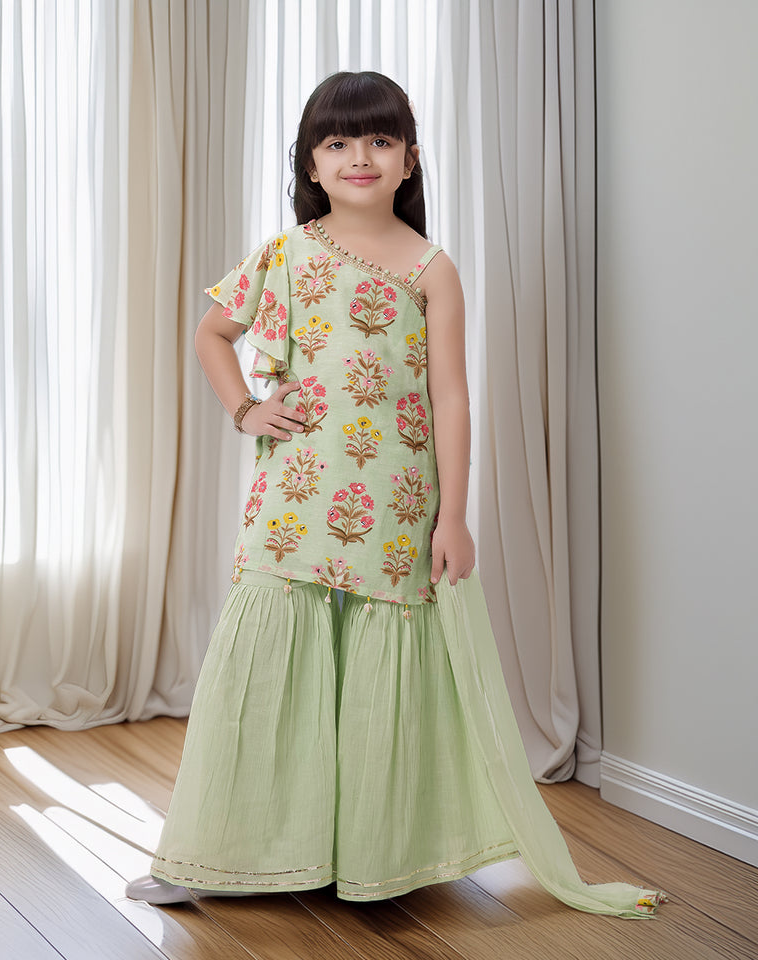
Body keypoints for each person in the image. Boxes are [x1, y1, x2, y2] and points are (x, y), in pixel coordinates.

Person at [126, 71, 666, 917]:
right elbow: (212, 334)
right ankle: (214, 854)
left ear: (409, 160)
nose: (360, 157)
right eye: (338, 142)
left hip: (396, 498)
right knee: (263, 666)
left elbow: (450, 397)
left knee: (383, 670)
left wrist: (454, 517)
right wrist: (247, 409)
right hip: (297, 495)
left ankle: (373, 857)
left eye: (380, 140)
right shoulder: (285, 252)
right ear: (310, 163)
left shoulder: (431, 267)